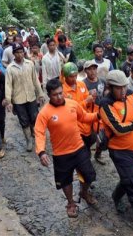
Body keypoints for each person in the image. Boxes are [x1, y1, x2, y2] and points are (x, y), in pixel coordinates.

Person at [99, 70, 133, 236]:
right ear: (110, 87)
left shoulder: (131, 95)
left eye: (124, 87)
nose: (123, 91)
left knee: (130, 178)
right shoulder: (105, 104)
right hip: (121, 152)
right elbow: (117, 129)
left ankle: (116, 196)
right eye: (119, 88)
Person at [35, 78, 98, 218]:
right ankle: (70, 203)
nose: (58, 97)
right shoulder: (44, 112)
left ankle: (84, 192)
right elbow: (39, 132)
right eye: (54, 95)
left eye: (60, 93)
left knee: (89, 176)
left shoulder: (72, 104)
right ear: (49, 95)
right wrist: (41, 152)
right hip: (61, 153)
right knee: (65, 181)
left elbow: (85, 117)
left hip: (79, 148)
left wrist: (99, 115)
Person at [4, 43, 45, 152]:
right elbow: (8, 85)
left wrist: (40, 94)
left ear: (24, 52)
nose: (19, 54)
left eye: (21, 52)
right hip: (18, 99)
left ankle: (36, 136)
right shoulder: (10, 68)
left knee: (35, 118)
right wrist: (8, 101)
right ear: (13, 54)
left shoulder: (30, 64)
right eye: (17, 52)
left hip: (31, 97)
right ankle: (28, 141)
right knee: (24, 121)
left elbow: (35, 80)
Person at [61, 62, 96, 154]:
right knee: (81, 150)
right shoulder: (62, 91)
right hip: (75, 125)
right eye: (71, 76)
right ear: (65, 76)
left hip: (86, 122)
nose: (74, 79)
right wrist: (86, 102)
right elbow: (70, 109)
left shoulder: (81, 84)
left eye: (75, 76)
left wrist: (91, 98)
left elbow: (88, 100)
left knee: (88, 144)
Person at [83, 60, 107, 165]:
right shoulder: (83, 83)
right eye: (90, 69)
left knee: (102, 135)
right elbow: (82, 98)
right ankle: (86, 153)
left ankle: (98, 153)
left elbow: (106, 93)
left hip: (101, 111)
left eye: (94, 68)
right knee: (90, 135)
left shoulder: (102, 81)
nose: (92, 71)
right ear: (85, 71)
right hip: (89, 113)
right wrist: (88, 96)